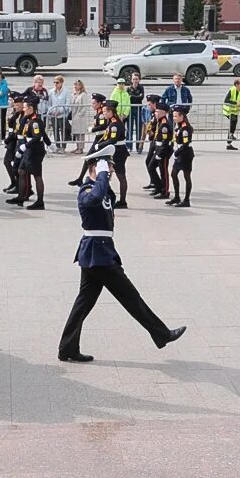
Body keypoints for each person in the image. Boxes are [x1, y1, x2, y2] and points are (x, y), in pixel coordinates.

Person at [57, 144, 186, 363]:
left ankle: (67, 348)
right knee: (130, 297)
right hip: (97, 254)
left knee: (84, 303)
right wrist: (101, 175)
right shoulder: (86, 191)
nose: (111, 171)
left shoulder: (103, 188)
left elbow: (107, 200)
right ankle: (161, 333)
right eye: (107, 166)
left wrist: (103, 176)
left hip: (101, 252)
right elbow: (94, 200)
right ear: (95, 168)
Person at [167, 104, 194, 207]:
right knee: (174, 174)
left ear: (182, 116)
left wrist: (176, 153)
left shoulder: (186, 129)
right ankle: (177, 197)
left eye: (175, 116)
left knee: (187, 176)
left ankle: (186, 200)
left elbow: (186, 144)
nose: (174, 118)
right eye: (173, 116)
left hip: (186, 154)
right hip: (179, 152)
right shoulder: (178, 126)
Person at [222, 77, 240, 150]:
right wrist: (235, 103)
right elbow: (226, 100)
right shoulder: (232, 90)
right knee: (233, 121)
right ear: (237, 85)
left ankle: (229, 143)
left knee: (234, 123)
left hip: (235, 111)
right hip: (228, 110)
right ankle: (230, 136)